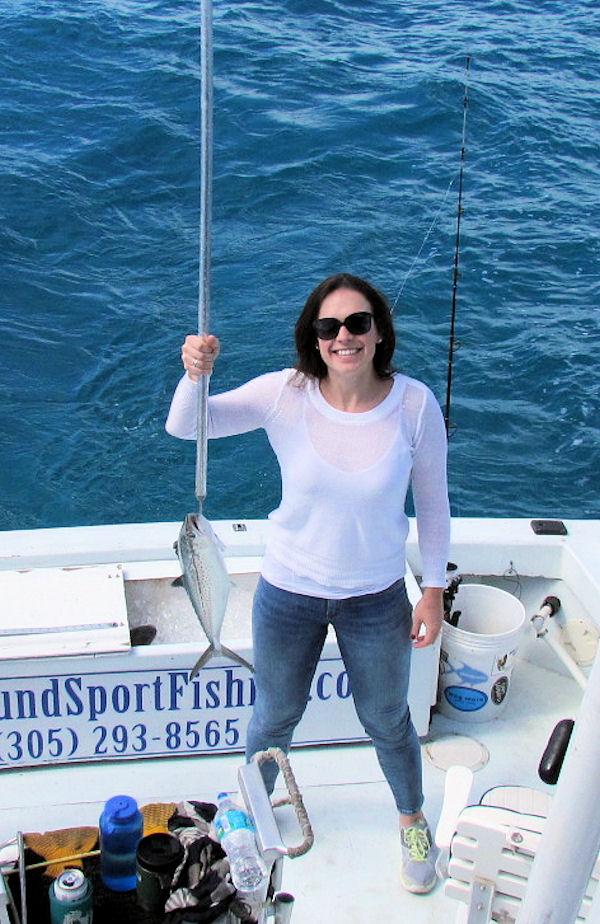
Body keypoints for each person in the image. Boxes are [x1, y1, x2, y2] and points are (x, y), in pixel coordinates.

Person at [165, 273, 450, 895]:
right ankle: (247, 818)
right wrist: (194, 373)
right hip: (288, 592)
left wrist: (432, 588)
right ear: (313, 339)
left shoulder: (413, 404)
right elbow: (188, 428)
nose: (343, 337)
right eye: (329, 327)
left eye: (357, 323)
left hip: (376, 598)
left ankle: (411, 818)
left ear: (379, 333)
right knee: (273, 718)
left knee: (388, 719)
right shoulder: (285, 393)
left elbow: (433, 503)